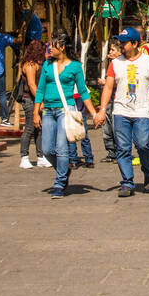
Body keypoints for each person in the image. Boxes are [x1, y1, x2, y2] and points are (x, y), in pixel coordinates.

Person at [95, 27, 149, 197]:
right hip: (120, 111)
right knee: (123, 148)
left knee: (143, 145)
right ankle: (127, 182)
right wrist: (102, 109)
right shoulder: (115, 63)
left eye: (124, 42)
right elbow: (108, 86)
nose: (121, 45)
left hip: (142, 111)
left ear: (134, 43)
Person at [32, 30, 98, 199]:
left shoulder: (75, 66)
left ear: (61, 47)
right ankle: (64, 169)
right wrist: (35, 111)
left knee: (62, 148)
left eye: (52, 45)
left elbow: (83, 92)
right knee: (47, 149)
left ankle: (59, 183)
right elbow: (40, 89)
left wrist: (94, 113)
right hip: (48, 111)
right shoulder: (47, 65)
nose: (48, 49)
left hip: (65, 111)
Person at [16, 39, 50, 170]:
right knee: (29, 128)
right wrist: (40, 100)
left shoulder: (37, 63)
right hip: (29, 99)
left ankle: (40, 156)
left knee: (39, 128)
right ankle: (24, 157)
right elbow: (31, 84)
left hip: (35, 99)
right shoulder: (30, 65)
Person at [99, 41, 122, 162]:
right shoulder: (109, 64)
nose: (110, 53)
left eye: (113, 50)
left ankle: (119, 151)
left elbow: (121, 82)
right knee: (106, 125)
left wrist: (106, 83)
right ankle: (111, 151)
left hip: (117, 98)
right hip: (108, 99)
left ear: (119, 52)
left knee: (115, 126)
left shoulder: (122, 65)